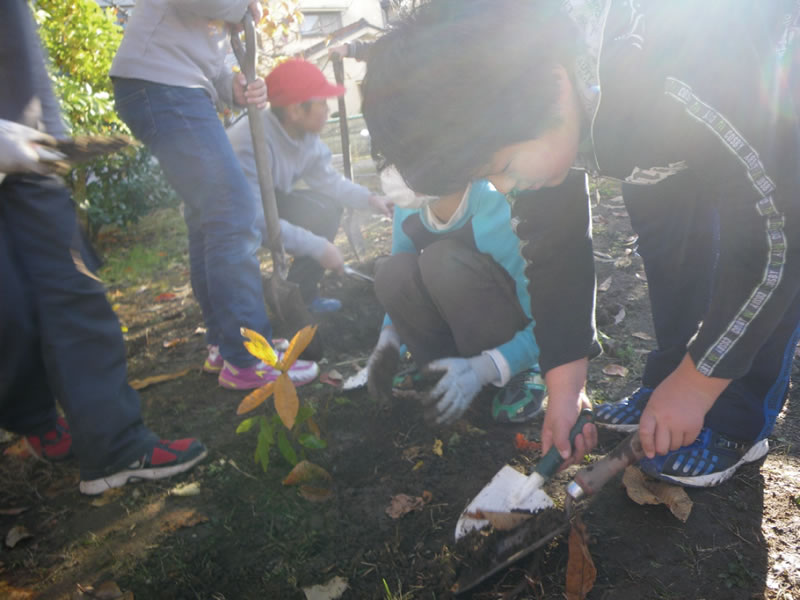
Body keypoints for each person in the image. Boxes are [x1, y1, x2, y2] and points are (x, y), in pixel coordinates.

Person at [360, 0, 800, 487]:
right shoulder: (541, 90)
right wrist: (566, 390)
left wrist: (698, 386)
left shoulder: (689, 64)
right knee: (672, 249)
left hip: (775, 115)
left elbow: (777, 239)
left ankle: (739, 424)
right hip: (655, 130)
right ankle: (667, 376)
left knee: (767, 255)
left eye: (502, 168)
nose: (503, 189)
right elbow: (555, 246)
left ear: (547, 86)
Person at [0, 0, 207, 495]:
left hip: (30, 142)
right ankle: (31, 413)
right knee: (9, 307)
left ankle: (114, 444)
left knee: (70, 284)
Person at [110, 1, 319, 390]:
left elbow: (209, 56)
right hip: (162, 85)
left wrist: (231, 86)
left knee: (208, 218)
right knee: (232, 208)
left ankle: (226, 343)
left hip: (174, 87)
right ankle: (246, 358)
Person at [367, 166, 545, 424]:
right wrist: (389, 338)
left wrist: (485, 368)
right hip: (461, 328)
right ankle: (441, 368)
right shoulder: (410, 207)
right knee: (391, 272)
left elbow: (546, 317)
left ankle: (524, 370)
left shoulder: (494, 205)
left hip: (510, 332)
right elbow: (400, 277)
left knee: (441, 263)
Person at [226, 58, 392, 313]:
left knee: (325, 208)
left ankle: (301, 296)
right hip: (226, 213)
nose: (327, 110)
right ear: (295, 110)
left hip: (267, 198)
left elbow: (330, 182)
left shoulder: (303, 136)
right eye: (321, 103)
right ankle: (250, 306)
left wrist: (371, 200)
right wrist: (318, 247)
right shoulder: (251, 142)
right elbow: (253, 219)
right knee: (235, 281)